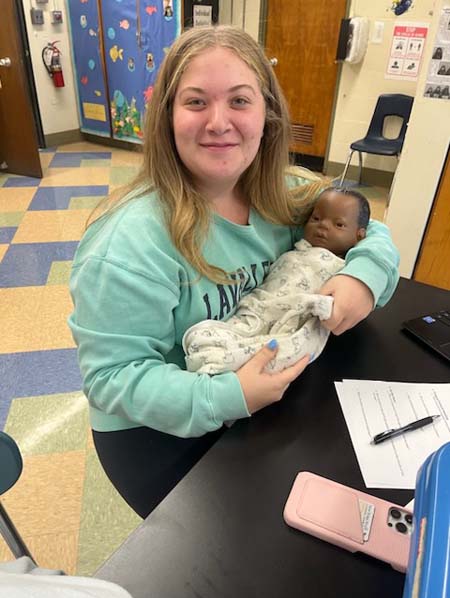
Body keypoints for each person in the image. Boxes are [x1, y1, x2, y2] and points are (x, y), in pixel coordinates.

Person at [68, 26, 400, 518]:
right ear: (167, 118)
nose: (219, 122)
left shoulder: (285, 194)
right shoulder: (126, 246)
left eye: (240, 101)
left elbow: (369, 226)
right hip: (160, 432)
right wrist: (229, 395)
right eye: (196, 102)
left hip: (264, 396)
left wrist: (362, 278)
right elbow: (112, 379)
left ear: (267, 115)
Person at [183, 187, 371, 374]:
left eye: (338, 225)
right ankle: (215, 355)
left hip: (294, 318)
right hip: (260, 307)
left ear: (359, 235)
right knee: (218, 334)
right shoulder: (297, 248)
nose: (323, 226)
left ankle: (227, 364)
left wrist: (324, 304)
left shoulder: (344, 268)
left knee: (284, 347)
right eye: (316, 219)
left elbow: (337, 304)